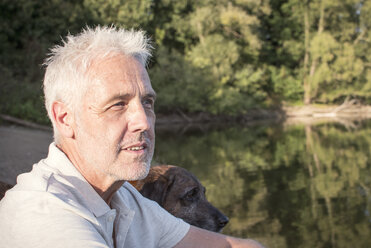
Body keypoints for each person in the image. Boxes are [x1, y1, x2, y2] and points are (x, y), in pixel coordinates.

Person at [0, 26, 264, 248]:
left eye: (147, 102)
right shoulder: (45, 217)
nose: (143, 122)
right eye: (118, 104)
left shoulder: (123, 197)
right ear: (65, 119)